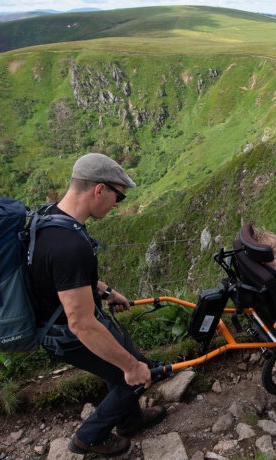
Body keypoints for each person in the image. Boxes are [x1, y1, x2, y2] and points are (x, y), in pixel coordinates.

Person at [28, 153, 166, 457]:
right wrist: (130, 368)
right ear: (99, 190)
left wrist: (105, 292)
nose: (117, 204)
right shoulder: (70, 247)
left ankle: (130, 421)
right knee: (135, 376)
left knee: (127, 361)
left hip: (60, 320)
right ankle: (89, 438)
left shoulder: (52, 217)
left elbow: (67, 280)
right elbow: (81, 323)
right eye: (118, 196)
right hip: (67, 334)